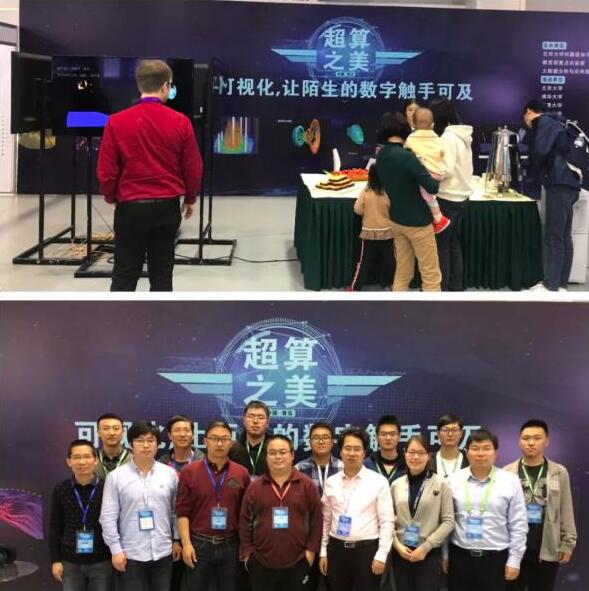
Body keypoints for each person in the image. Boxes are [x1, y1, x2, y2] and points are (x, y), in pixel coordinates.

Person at [96, 59, 203, 292]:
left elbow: (106, 169)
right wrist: (190, 199)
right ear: (165, 86)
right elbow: (193, 167)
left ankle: (119, 315)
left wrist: (111, 197)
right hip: (167, 208)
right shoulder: (181, 122)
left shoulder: (116, 121)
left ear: (140, 85)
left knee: (124, 274)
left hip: (130, 208)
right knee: (162, 275)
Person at [100, 420, 181, 591]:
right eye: (140, 440)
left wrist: (176, 540)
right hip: (131, 554)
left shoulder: (169, 474)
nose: (146, 445)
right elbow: (108, 517)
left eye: (151, 441)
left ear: (158, 445)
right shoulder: (116, 477)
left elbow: (175, 511)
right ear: (131, 444)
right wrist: (115, 550)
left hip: (163, 553)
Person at [444, 428, 528, 591]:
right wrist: (445, 555)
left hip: (495, 560)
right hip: (460, 558)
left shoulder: (510, 481)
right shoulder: (452, 481)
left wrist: (515, 560)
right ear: (467, 453)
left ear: (495, 453)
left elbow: (518, 524)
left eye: (486, 448)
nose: (480, 453)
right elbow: (446, 521)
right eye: (475, 448)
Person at [239, 434, 322, 591]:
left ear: (292, 455)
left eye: (282, 452)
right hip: (260, 563)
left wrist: (311, 551)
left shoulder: (306, 485)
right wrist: (248, 553)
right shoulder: (255, 487)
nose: (278, 457)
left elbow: (316, 520)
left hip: (298, 562)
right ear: (266, 456)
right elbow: (244, 522)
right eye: (272, 453)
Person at [176, 420, 250, 591]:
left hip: (231, 545)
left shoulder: (241, 473)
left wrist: (245, 546)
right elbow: (182, 511)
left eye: (224, 439)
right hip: (198, 544)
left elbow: (246, 514)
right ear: (205, 441)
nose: (219, 443)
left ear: (231, 443)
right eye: (215, 438)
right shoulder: (189, 472)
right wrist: (186, 544)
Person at [504, 420, 577, 591]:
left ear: (546, 441)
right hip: (513, 549)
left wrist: (568, 542)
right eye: (526, 438)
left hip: (546, 548)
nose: (530, 443)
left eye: (537, 438)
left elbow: (566, 508)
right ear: (519, 441)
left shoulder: (559, 472)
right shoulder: (507, 472)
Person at [320, 427, 394, 591]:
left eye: (357, 449)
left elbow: (387, 522)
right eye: (347, 448)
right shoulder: (331, 482)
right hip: (336, 551)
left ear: (364, 452)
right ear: (340, 452)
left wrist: (381, 555)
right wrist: (323, 552)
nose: (352, 453)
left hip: (366, 552)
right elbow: (325, 520)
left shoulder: (378, 482)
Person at [375, 111, 442, 291]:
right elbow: (432, 187)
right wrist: (433, 169)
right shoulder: (407, 157)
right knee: (431, 274)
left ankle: (398, 305)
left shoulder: (381, 155)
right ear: (405, 129)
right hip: (418, 222)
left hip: (396, 219)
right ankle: (433, 308)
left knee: (403, 271)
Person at [523, 99, 582, 292]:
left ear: (529, 112)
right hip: (572, 182)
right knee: (564, 235)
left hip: (558, 182)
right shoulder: (559, 122)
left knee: (553, 236)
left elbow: (541, 151)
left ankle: (550, 285)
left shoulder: (544, 122)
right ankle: (561, 283)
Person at [391, 435, 454, 591]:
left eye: (421, 453)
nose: (415, 457)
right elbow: (388, 520)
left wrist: (426, 547)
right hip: (401, 554)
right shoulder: (396, 485)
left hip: (428, 555)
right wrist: (397, 546)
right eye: (411, 452)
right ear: (405, 454)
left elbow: (448, 521)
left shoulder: (441, 484)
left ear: (429, 456)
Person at [49, 440, 113, 591]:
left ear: (95, 460)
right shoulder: (61, 489)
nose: (82, 462)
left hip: (102, 560)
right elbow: (55, 526)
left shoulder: (108, 487)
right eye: (77, 457)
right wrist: (55, 560)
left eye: (87, 457)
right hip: (70, 561)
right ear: (69, 461)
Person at [428, 97, 473, 291]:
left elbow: (444, 170)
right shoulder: (462, 136)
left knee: (442, 247)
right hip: (461, 197)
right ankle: (455, 287)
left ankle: (441, 289)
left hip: (447, 198)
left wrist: (427, 167)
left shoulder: (447, 138)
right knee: (454, 245)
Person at [295, 422, 343, 591]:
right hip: (307, 536)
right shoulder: (298, 470)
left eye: (325, 437)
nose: (321, 441)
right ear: (310, 441)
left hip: (336, 535)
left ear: (332, 441)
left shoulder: (343, 468)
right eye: (316, 438)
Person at [158, 416, 204, 591]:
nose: (182, 434)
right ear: (170, 435)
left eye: (187, 430)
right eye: (177, 431)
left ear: (193, 434)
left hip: (199, 536)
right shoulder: (160, 465)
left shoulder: (205, 462)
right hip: (167, 537)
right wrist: (174, 539)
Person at [405, 108, 451, 234]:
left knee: (428, 197)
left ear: (414, 124)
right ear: (433, 125)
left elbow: (407, 157)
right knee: (429, 196)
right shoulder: (438, 139)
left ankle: (439, 218)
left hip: (427, 173)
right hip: (439, 172)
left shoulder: (410, 139)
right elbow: (442, 154)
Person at [349, 165, 395, 291]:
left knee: (364, 262)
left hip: (369, 233)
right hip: (388, 232)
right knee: (390, 261)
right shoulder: (389, 192)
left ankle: (356, 287)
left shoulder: (366, 192)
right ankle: (394, 285)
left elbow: (357, 209)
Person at [230, 401, 271, 479]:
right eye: (250, 417)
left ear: (267, 422)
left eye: (261, 418)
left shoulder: (274, 449)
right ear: (244, 420)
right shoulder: (232, 449)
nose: (255, 421)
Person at [364, 415, 407, 485]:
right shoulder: (367, 465)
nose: (388, 438)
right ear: (377, 437)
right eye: (383, 434)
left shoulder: (407, 464)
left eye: (392, 434)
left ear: (399, 436)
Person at [95, 413, 132, 480]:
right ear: (98, 432)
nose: (111, 433)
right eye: (106, 429)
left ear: (123, 432)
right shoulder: (91, 459)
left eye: (116, 428)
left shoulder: (134, 459)